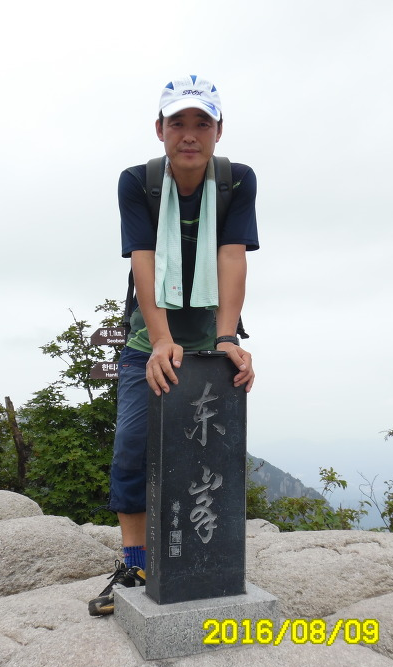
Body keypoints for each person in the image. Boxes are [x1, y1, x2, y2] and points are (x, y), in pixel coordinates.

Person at [88, 75, 259, 616]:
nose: (189, 134)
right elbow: (143, 258)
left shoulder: (236, 181)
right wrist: (160, 340)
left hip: (210, 344)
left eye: (201, 123)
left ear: (218, 130)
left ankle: (205, 564)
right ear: (159, 129)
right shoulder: (138, 183)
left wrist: (227, 337)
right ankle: (135, 561)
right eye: (177, 122)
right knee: (132, 447)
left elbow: (231, 256)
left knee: (208, 454)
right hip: (148, 341)